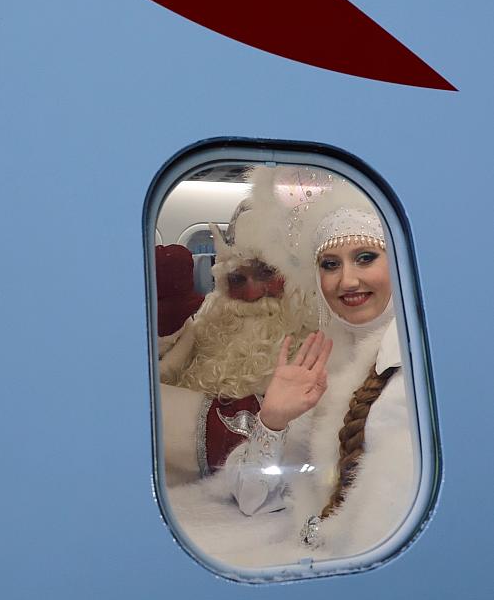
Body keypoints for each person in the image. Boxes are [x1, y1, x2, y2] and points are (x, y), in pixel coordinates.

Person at [223, 185, 415, 561]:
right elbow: (254, 498)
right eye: (330, 264)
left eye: (365, 258)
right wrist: (273, 421)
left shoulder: (421, 363)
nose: (347, 280)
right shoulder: (322, 361)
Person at [159, 168, 317, 485]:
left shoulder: (314, 343)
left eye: (267, 275)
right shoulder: (202, 328)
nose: (253, 294)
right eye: (237, 280)